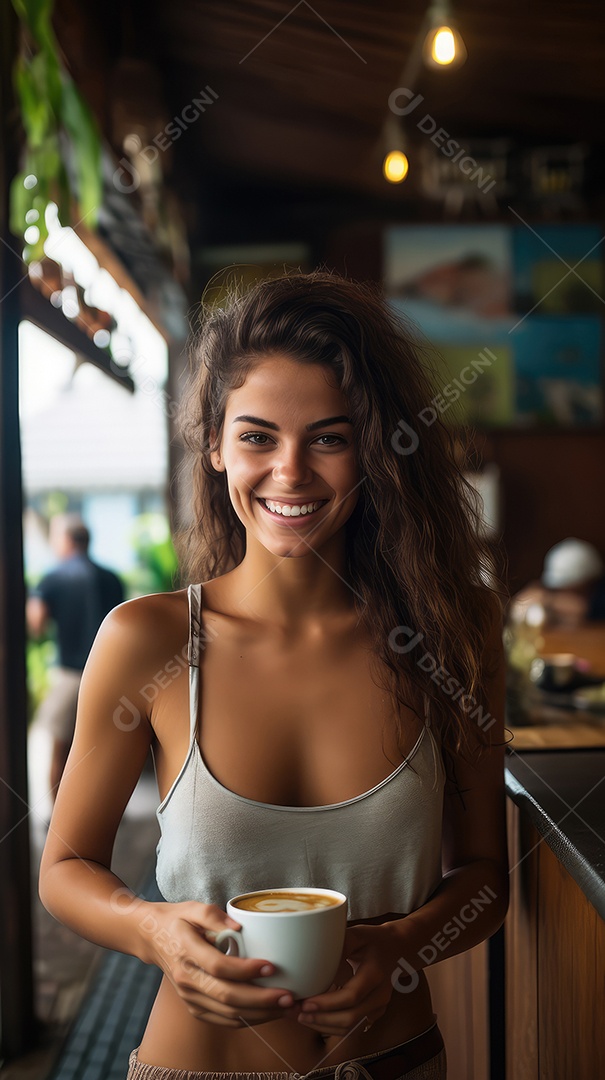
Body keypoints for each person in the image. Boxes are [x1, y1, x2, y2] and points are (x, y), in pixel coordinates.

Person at [39, 272, 508, 1080]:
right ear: (214, 445)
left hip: (395, 1060)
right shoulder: (148, 641)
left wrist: (401, 945)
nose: (290, 472)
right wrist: (152, 931)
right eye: (257, 437)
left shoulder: (451, 631)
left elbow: (484, 878)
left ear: (375, 450)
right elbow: (65, 867)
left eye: (328, 438)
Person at [27, 513, 124, 797]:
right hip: (110, 676)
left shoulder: (53, 578)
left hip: (71, 675)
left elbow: (36, 624)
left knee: (61, 749)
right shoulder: (111, 578)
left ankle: (59, 815)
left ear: (66, 540)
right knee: (102, 751)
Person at [508, 537, 605, 630]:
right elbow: (519, 606)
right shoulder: (546, 592)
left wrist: (548, 600)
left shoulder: (599, 598)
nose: (566, 596)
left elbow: (582, 610)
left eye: (571, 588)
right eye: (559, 590)